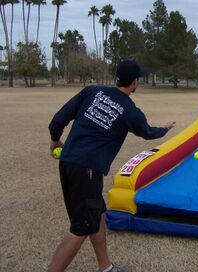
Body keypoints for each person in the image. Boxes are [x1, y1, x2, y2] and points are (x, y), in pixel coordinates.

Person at [48, 59, 175, 272]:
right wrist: (164, 129)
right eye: (138, 79)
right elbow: (147, 132)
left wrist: (54, 141)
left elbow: (60, 118)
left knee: (98, 214)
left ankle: (105, 267)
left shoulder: (92, 92)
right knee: (81, 227)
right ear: (134, 81)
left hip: (70, 162)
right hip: (86, 169)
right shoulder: (129, 110)